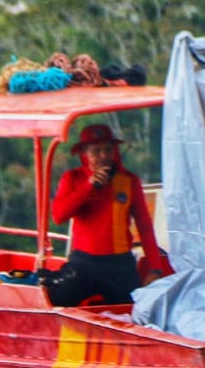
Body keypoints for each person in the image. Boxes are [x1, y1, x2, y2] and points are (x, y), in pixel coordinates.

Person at [50, 124, 166, 306]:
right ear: (84, 154)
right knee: (57, 303)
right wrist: (88, 187)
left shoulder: (129, 180)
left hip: (120, 263)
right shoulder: (73, 178)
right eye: (96, 151)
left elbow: (144, 226)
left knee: (135, 310)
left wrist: (155, 268)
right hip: (83, 262)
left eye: (108, 150)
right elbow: (58, 216)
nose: (103, 156)